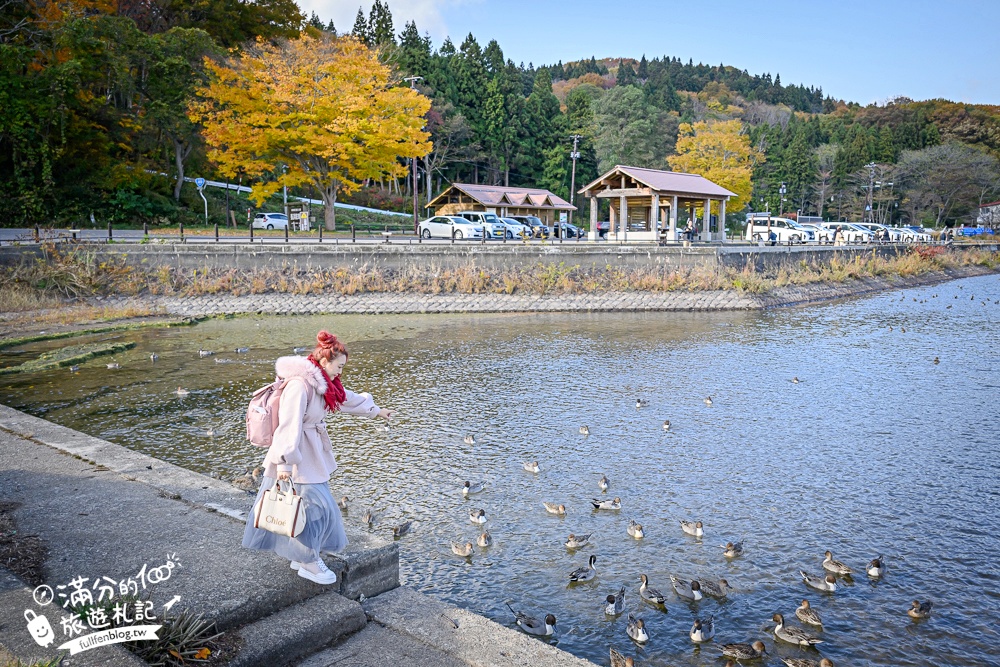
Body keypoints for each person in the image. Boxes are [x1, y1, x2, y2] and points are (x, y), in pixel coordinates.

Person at [242, 330, 392, 584]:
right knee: (315, 508)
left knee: (306, 508)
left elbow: (347, 400)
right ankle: (309, 562)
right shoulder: (300, 386)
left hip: (309, 453)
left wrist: (377, 411)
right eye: (339, 366)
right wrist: (285, 464)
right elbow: (288, 425)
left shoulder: (323, 384)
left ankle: (301, 555)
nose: (340, 372)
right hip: (295, 455)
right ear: (324, 362)